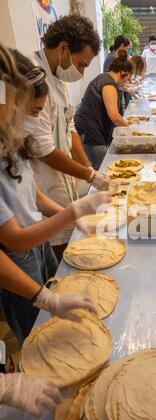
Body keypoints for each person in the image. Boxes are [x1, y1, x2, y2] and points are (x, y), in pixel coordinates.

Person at [0, 47, 111, 345]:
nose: (21, 118)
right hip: (16, 258)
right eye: (23, 108)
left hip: (36, 244)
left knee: (58, 301)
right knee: (39, 336)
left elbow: (31, 193)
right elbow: (14, 240)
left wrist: (69, 216)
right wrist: (71, 213)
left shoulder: (9, 142)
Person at [27, 15, 109, 261]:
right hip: (42, 187)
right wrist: (89, 176)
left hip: (62, 187)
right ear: (63, 48)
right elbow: (44, 149)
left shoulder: (59, 79)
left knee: (68, 242)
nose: (83, 72)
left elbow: (69, 127)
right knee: (57, 256)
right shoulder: (32, 77)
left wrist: (89, 168)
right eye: (82, 64)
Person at [75, 51, 133, 169]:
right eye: (128, 79)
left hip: (92, 130)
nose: (127, 82)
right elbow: (114, 115)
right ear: (123, 73)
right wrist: (131, 129)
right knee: (103, 170)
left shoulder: (105, 78)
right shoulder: (108, 84)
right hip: (91, 133)